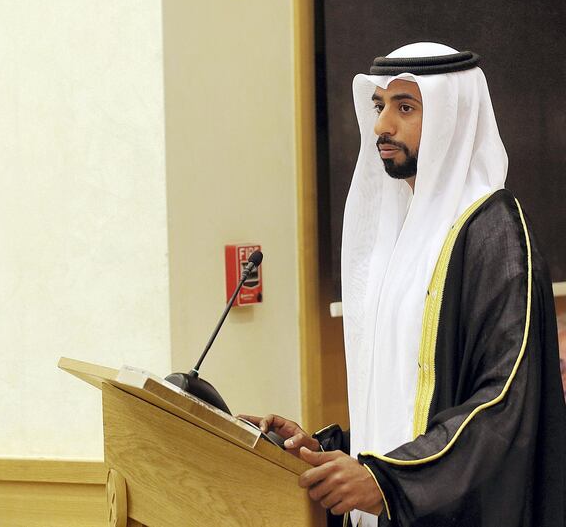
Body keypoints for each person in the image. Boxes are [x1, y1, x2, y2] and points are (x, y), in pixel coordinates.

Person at [241, 43, 565, 526]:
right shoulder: (400, 239)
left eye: (405, 107)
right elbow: (406, 397)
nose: (381, 126)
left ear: (453, 118)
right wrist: (327, 452)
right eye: (380, 106)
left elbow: (503, 402)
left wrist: (389, 480)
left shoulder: (492, 230)